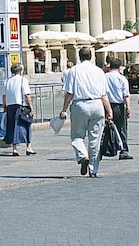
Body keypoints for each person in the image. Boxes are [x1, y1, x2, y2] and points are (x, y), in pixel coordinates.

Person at [59, 45, 111, 178]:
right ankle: (93, 170)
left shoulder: (74, 70)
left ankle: (82, 155)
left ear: (79, 57)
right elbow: (103, 94)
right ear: (91, 56)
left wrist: (64, 109)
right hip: (97, 104)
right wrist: (109, 110)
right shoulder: (99, 71)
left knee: (76, 136)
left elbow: (69, 92)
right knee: (95, 139)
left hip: (80, 104)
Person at [1, 62, 33, 156]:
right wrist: (31, 107)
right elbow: (26, 95)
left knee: (12, 126)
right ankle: (28, 147)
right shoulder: (23, 80)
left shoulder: (7, 80)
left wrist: (4, 106)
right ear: (21, 71)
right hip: (21, 105)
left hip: (10, 106)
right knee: (26, 125)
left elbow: (4, 95)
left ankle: (14, 149)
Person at [104, 57, 132, 160]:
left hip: (105, 105)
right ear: (119, 67)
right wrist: (128, 107)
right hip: (118, 106)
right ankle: (123, 150)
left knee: (105, 128)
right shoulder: (122, 78)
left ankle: (104, 148)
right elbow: (126, 95)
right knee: (121, 128)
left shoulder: (104, 77)